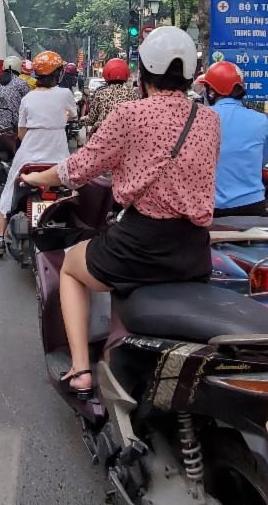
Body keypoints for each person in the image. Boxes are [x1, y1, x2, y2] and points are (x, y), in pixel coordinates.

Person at [21, 27, 220, 397]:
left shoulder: (130, 113)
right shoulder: (209, 119)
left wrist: (37, 179)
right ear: (190, 74)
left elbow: (78, 168)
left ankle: (81, 368)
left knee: (70, 268)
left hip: (139, 244)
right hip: (194, 250)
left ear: (142, 73)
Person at [0, 50, 78, 256]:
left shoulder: (28, 98)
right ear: (58, 74)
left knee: (8, 193)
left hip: (28, 154)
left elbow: (21, 132)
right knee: (74, 188)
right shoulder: (65, 94)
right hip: (58, 157)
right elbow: (73, 114)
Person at [200, 61, 268, 217]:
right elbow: (262, 160)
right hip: (252, 207)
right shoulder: (261, 120)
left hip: (210, 207)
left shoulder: (200, 118)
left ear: (211, 92)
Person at [86, 58, 138, 134]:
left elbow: (91, 119)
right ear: (126, 74)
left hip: (103, 135)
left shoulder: (100, 94)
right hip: (126, 136)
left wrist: (83, 121)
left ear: (106, 73)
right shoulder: (133, 95)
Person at [0, 56, 29, 129]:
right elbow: (29, 103)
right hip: (14, 125)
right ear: (19, 68)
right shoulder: (22, 83)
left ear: (4, 67)